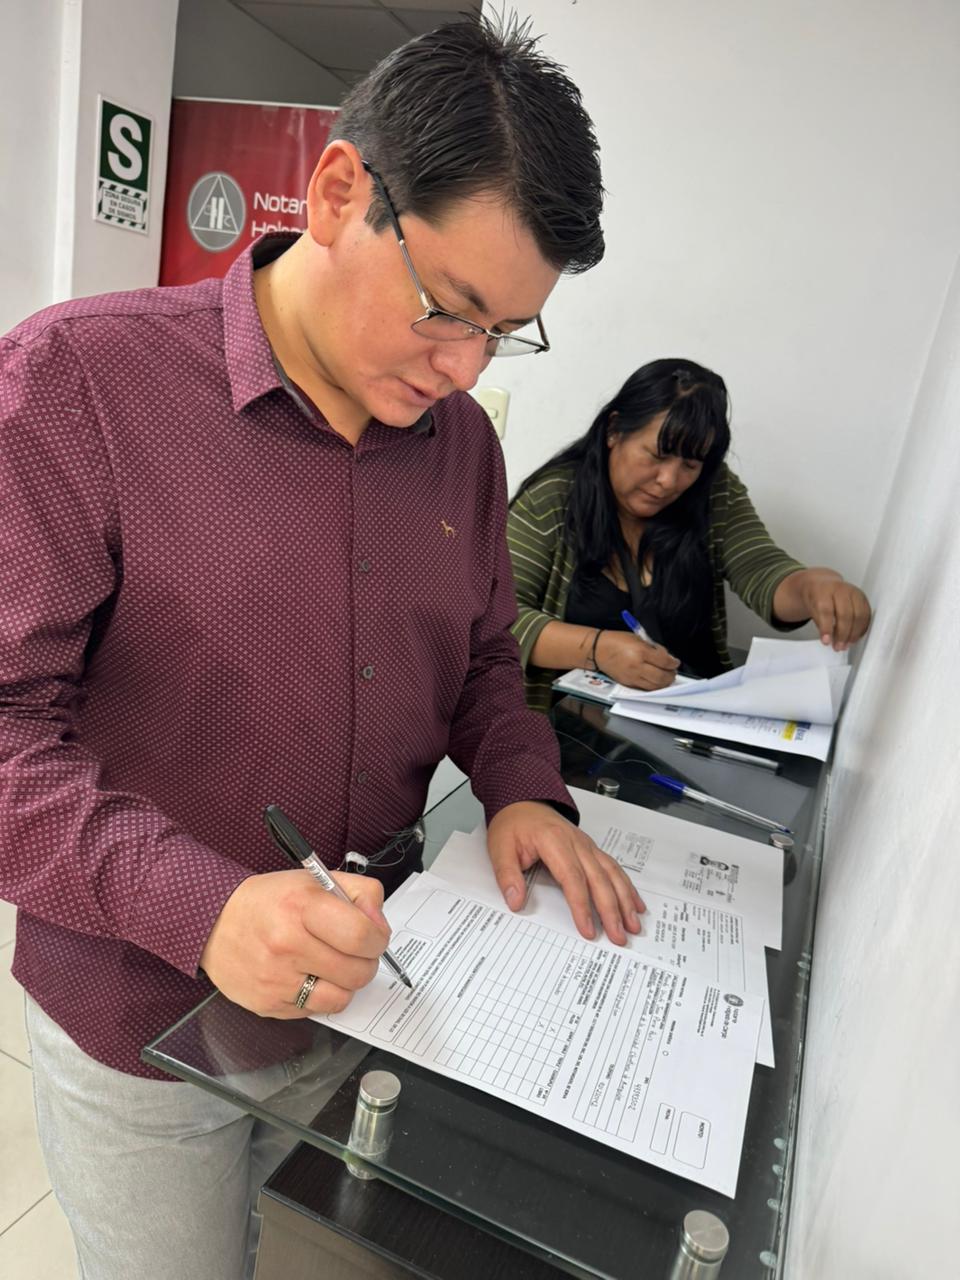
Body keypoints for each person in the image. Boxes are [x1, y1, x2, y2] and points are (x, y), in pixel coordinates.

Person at [0, 18, 644, 1280]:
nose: (464, 367)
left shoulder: (460, 443)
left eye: (505, 331)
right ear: (343, 191)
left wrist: (523, 787)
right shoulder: (81, 380)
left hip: (377, 996)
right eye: (450, 308)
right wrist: (204, 904)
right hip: (139, 1029)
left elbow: (476, 664)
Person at [507, 358, 872, 711]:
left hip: (692, 714)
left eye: (690, 465)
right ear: (614, 430)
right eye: (656, 455)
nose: (669, 481)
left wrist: (815, 588)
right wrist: (597, 648)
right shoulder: (552, 500)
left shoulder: (714, 493)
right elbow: (499, 620)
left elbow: (760, 568)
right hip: (570, 729)